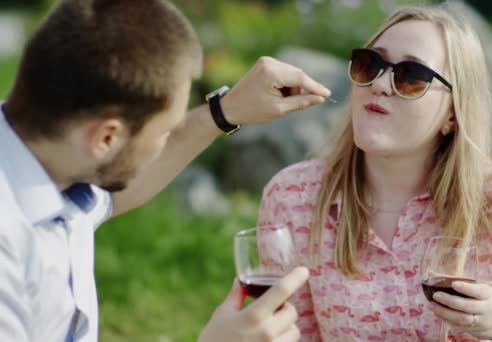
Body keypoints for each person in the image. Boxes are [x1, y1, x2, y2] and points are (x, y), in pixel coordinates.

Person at [257, 4, 492, 342]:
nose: (379, 84)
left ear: (452, 114)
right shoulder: (295, 197)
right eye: (370, 64)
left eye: (411, 77)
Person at [0, 0, 329, 341]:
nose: (166, 143)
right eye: (163, 132)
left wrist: (227, 111)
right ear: (107, 137)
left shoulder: (52, 162)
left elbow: (112, 191)